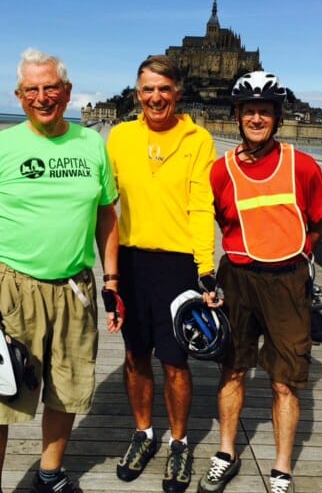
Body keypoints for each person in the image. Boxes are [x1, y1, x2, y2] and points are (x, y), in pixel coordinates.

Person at [0, 47, 124, 493]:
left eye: (51, 87)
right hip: (13, 289)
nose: (42, 96)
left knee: (67, 389)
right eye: (32, 89)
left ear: (67, 92)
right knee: (1, 396)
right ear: (19, 96)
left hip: (75, 288)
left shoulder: (91, 144)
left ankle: (49, 474)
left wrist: (111, 280)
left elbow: (107, 214)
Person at [197, 71, 322, 493]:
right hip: (237, 277)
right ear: (237, 115)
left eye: (264, 112)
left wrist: (297, 258)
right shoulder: (220, 171)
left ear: (277, 116)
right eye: (249, 111)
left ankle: (282, 468)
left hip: (287, 278)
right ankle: (225, 452)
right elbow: (216, 221)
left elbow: (317, 225)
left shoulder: (302, 165)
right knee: (233, 370)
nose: (257, 118)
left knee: (282, 382)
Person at [106, 55, 218, 493]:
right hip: (131, 262)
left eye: (164, 89)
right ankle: (143, 434)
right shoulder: (119, 137)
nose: (156, 97)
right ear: (138, 94)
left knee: (175, 361)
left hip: (177, 264)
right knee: (135, 356)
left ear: (178, 93)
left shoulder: (198, 139)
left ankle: (179, 441)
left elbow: (200, 205)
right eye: (147, 89)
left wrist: (206, 271)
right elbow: (101, 205)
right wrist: (105, 272)